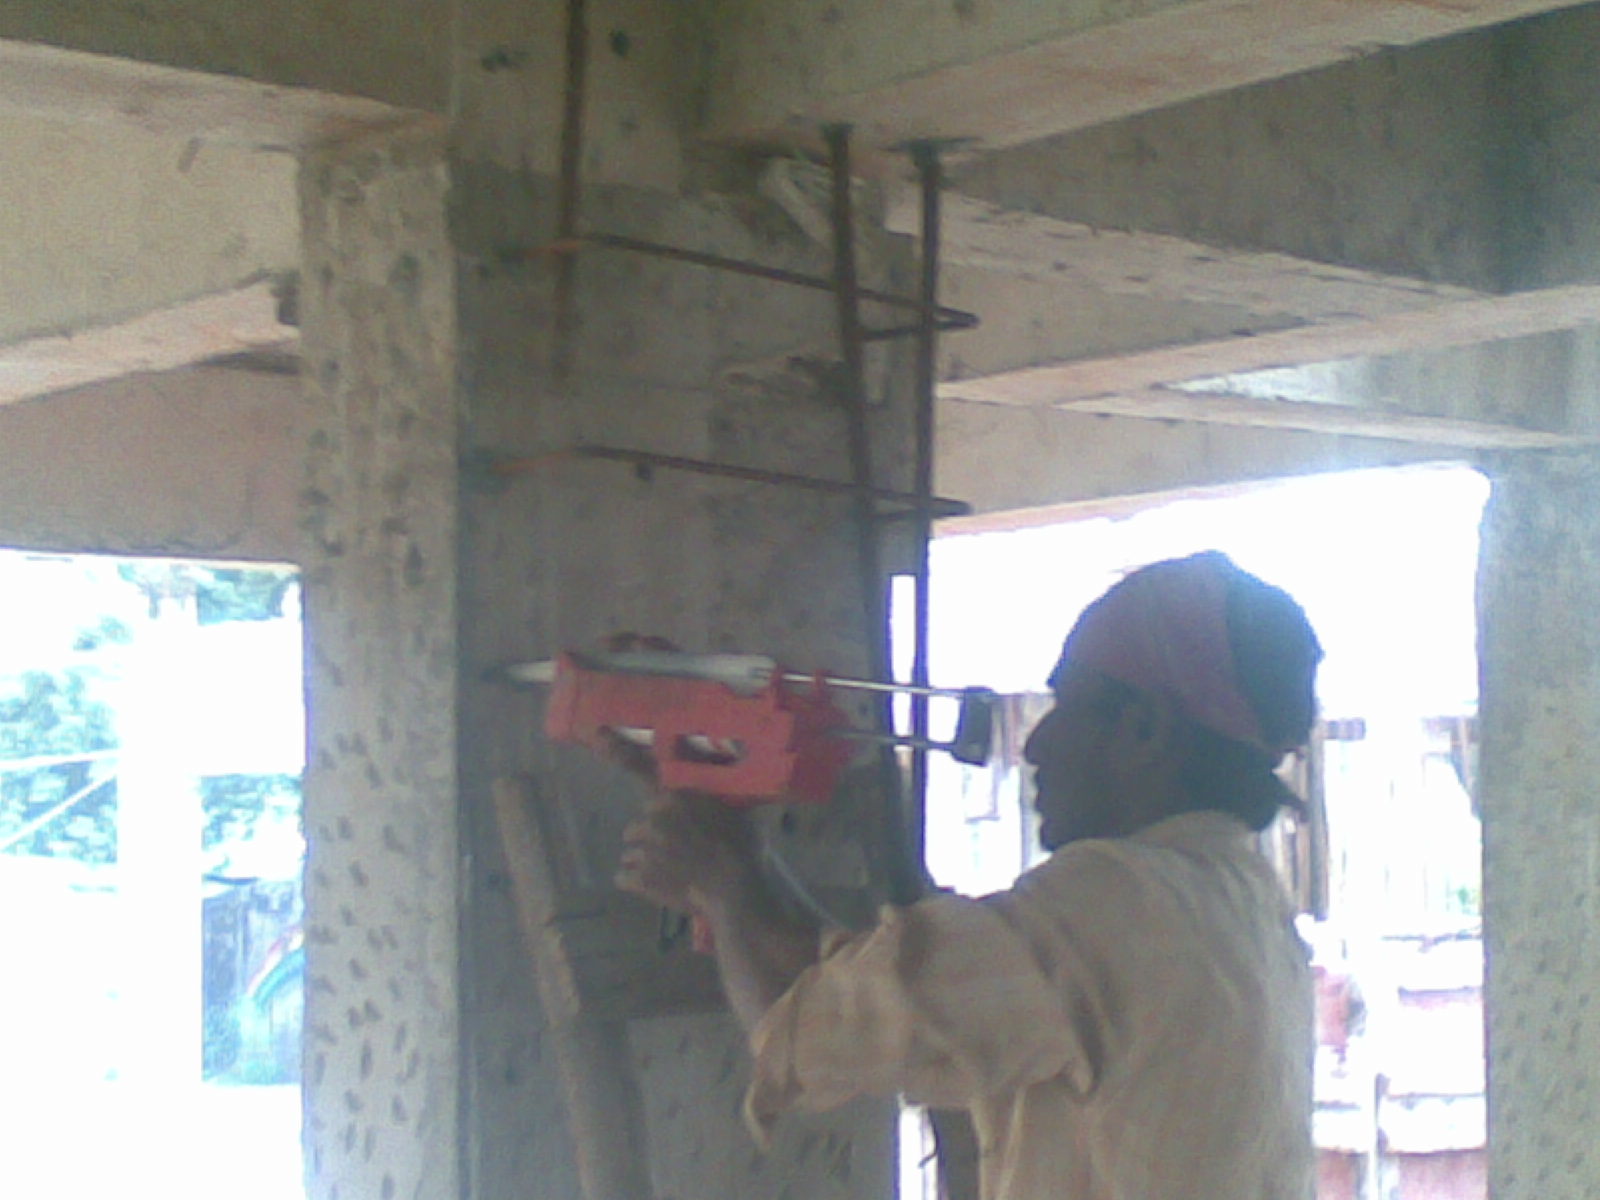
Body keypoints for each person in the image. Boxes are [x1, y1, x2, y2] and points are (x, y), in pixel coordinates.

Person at [616, 551, 1322, 1200]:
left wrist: (720, 884)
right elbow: (872, 988)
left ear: (1145, 729)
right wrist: (736, 862)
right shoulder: (1243, 901)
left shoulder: (1114, 897)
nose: (1037, 745)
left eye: (1065, 705)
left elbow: (813, 1034)